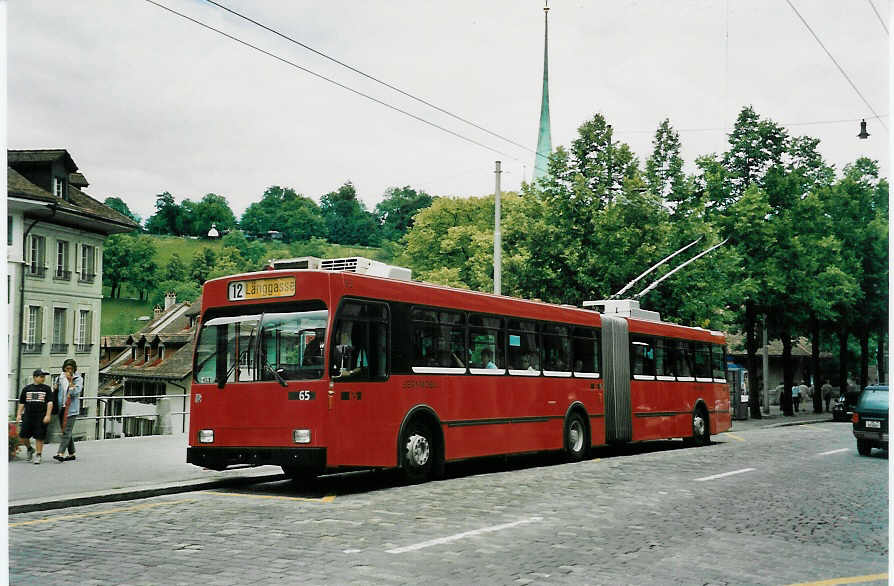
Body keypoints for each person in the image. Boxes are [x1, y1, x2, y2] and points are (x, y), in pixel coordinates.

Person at [16, 369, 54, 464]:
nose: (43, 378)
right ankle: (29, 449)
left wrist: (48, 415)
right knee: (23, 436)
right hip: (28, 415)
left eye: (44, 377)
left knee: (39, 436)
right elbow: (22, 402)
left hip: (41, 415)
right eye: (41, 376)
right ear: (35, 377)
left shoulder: (47, 389)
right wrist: (19, 414)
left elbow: (50, 403)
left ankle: (38, 455)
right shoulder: (27, 389)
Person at [54, 358, 82, 463]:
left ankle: (60, 453)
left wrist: (70, 382)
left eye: (71, 368)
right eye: (67, 368)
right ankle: (72, 453)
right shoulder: (60, 378)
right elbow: (57, 392)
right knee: (66, 431)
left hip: (71, 409)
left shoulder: (78, 379)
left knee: (66, 431)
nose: (68, 371)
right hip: (62, 407)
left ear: (74, 369)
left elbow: (76, 392)